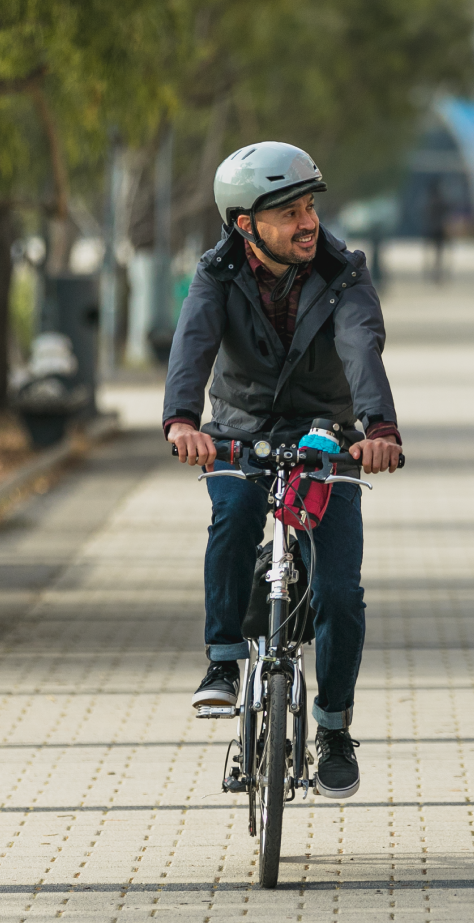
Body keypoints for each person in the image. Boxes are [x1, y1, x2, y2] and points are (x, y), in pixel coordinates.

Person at [163, 141, 403, 799]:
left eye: (309, 206)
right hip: (238, 432)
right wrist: (182, 421)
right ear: (246, 225)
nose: (307, 222)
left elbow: (361, 345)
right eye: (288, 212)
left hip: (326, 438)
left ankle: (332, 726)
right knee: (234, 520)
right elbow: (193, 343)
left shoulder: (345, 271)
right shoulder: (216, 273)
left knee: (337, 591)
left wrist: (378, 428)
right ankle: (222, 661)